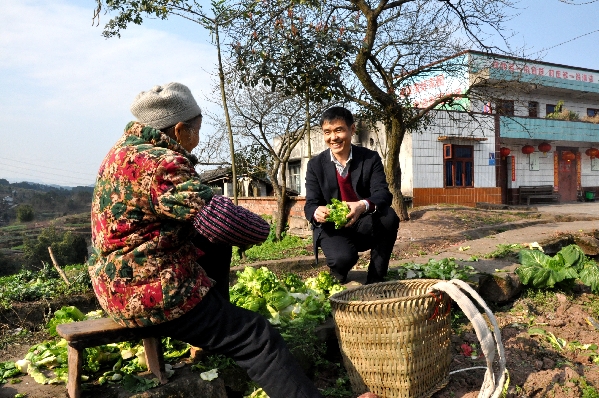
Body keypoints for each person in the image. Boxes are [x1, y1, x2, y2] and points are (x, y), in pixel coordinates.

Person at [89, 83, 378, 398]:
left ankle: (214, 324)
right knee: (257, 336)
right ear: (180, 129)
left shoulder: (120, 153)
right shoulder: (161, 163)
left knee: (214, 240)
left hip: (113, 285)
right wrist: (262, 230)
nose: (196, 139)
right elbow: (222, 219)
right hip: (149, 293)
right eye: (196, 131)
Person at [305, 106, 400, 285]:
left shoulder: (370, 158)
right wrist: (317, 211)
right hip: (332, 227)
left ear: (352, 129)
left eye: (339, 130)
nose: (333, 137)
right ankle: (338, 273)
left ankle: (376, 278)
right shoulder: (315, 165)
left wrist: (361, 205)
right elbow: (310, 204)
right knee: (342, 259)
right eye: (328, 132)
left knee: (389, 217)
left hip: (362, 223)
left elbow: (383, 194)